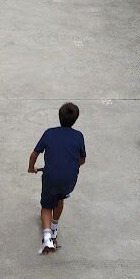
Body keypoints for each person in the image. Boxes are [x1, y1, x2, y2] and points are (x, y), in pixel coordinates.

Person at [28, 103, 86, 253]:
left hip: (51, 177)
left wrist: (31, 168)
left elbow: (34, 154)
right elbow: (82, 160)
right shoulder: (79, 136)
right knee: (59, 199)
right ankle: (54, 229)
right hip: (69, 179)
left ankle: (47, 239)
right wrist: (72, 168)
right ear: (75, 119)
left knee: (46, 206)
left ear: (59, 116)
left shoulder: (49, 133)